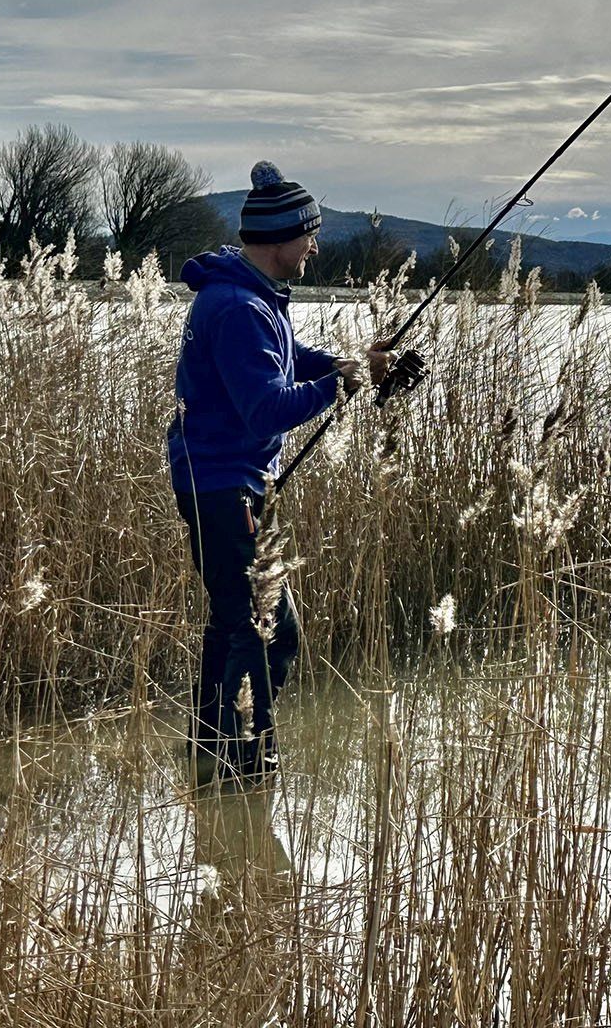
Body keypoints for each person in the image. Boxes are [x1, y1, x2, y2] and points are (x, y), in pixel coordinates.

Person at [167, 160, 391, 786]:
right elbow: (266, 406)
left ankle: (211, 756)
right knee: (270, 630)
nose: (315, 246)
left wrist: (349, 367)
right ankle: (244, 768)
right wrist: (339, 384)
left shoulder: (248, 297)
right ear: (279, 238)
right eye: (308, 234)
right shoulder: (239, 308)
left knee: (236, 623)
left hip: (220, 480)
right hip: (222, 484)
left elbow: (288, 362)